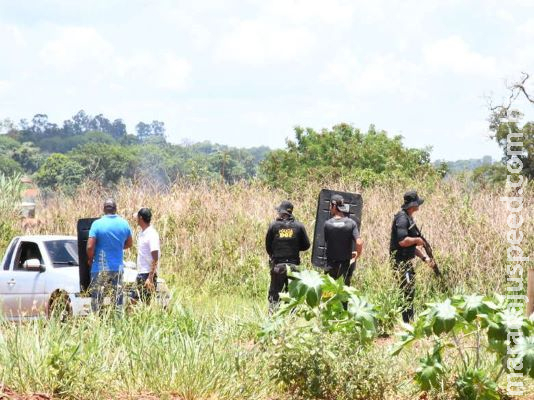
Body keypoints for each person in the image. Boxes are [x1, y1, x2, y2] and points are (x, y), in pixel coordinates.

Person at [390, 190, 434, 323]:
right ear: (412, 205)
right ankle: (407, 323)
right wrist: (417, 240)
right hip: (400, 263)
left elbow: (411, 247)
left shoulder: (409, 218)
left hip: (407, 262)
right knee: (406, 292)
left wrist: (424, 258)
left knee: (409, 292)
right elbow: (403, 241)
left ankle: (409, 321)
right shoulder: (402, 218)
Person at [87, 199, 133, 312]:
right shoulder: (124, 223)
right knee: (117, 299)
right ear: (115, 209)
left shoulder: (97, 224)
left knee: (97, 300)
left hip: (99, 267)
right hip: (117, 268)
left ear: (103, 209)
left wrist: (90, 259)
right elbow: (130, 243)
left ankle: (97, 324)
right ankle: (117, 323)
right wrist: (117, 247)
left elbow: (89, 246)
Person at [265, 200, 311, 311]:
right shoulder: (299, 226)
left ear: (281, 212)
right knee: (293, 295)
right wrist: (294, 246)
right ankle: (291, 319)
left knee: (275, 294)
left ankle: (273, 316)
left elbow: (268, 245)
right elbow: (306, 245)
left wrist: (275, 254)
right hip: (294, 266)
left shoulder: (274, 226)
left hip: (278, 266)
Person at [324, 194, 363, 286]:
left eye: (330, 206)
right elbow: (359, 242)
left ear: (334, 206)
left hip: (331, 265)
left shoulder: (327, 224)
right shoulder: (351, 223)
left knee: (328, 294)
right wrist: (357, 255)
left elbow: (327, 241)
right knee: (343, 295)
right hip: (344, 266)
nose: (330, 208)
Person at [134, 207, 160, 303]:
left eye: (137, 217)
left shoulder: (151, 234)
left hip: (147, 274)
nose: (136, 219)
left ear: (140, 218)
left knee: (145, 302)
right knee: (135, 301)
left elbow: (155, 256)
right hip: (141, 272)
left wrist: (150, 277)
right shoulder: (142, 233)